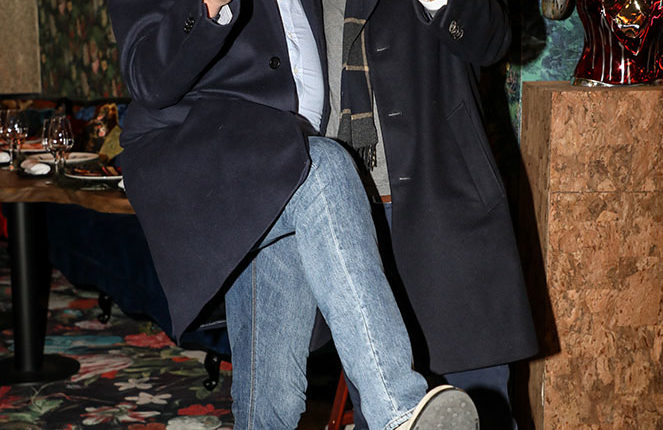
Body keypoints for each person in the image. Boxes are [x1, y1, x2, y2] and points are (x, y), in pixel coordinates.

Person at [108, 0, 482, 428]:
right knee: (324, 168)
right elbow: (146, 79)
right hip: (207, 151)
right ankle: (397, 412)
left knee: (273, 398)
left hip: (281, 160)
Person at [320, 0, 538, 428]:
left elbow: (490, 39)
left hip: (445, 208)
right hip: (348, 220)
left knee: (478, 406)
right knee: (383, 414)